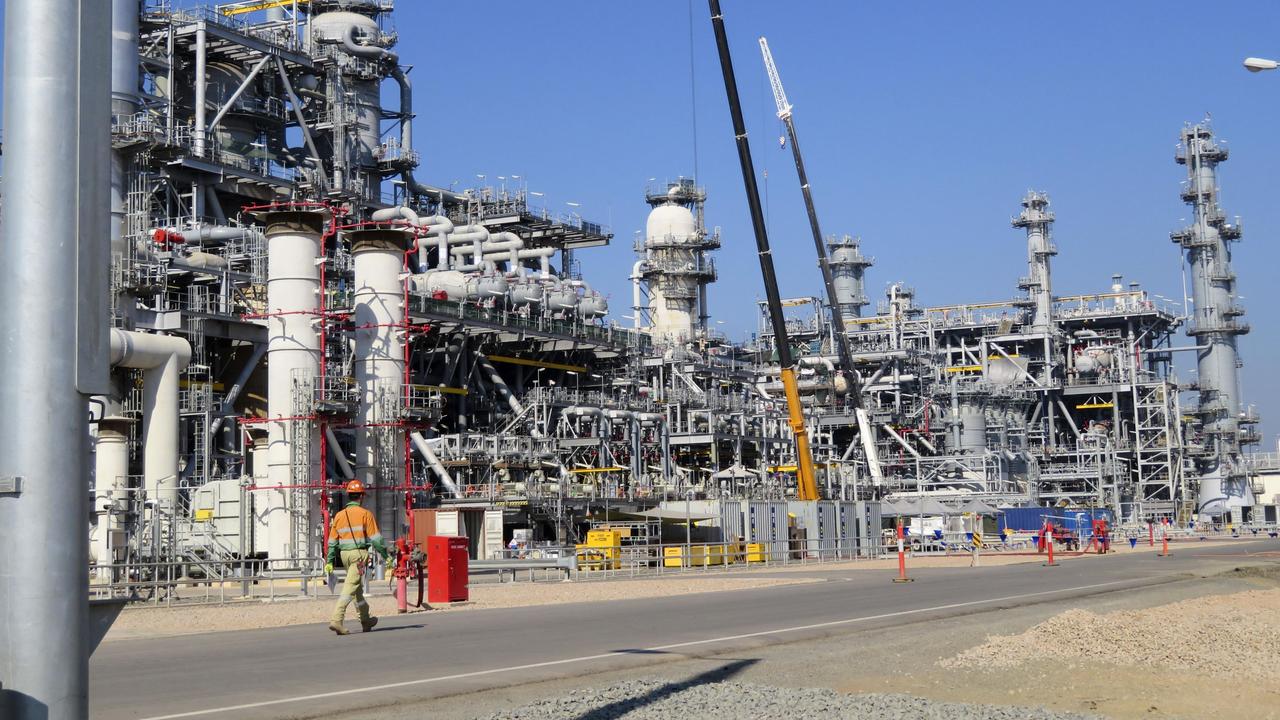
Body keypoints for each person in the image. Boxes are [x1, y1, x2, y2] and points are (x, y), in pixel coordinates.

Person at [324, 480, 391, 636]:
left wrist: (329, 561)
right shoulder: (365, 514)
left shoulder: (339, 515)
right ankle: (337, 620)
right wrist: (386, 556)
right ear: (361, 496)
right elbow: (376, 539)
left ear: (349, 495)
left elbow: (332, 542)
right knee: (350, 586)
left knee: (356, 589)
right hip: (358, 556)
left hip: (344, 555)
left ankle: (365, 619)